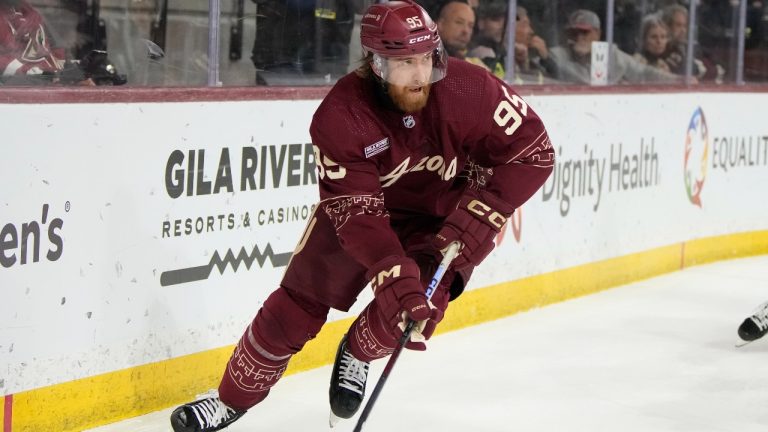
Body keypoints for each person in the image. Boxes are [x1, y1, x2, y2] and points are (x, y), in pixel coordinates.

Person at [169, 1, 555, 431]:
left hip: (441, 217)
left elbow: (534, 153)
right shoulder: (340, 116)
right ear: (375, 63)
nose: (420, 74)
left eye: (426, 58)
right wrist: (391, 273)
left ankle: (357, 351)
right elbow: (360, 217)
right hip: (362, 214)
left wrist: (481, 216)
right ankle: (230, 399)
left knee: (412, 311)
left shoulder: (470, 90)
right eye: (405, 62)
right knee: (296, 307)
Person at [549, 9, 680, 85]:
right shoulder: (556, 55)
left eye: (585, 32)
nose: (579, 37)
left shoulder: (611, 54)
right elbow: (584, 82)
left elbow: (642, 72)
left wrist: (678, 80)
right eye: (574, 32)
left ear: (598, 34)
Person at [435, 0, 488, 69]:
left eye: (470, 26)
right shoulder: (422, 60)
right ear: (440, 24)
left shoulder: (474, 66)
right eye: (459, 22)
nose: (466, 31)